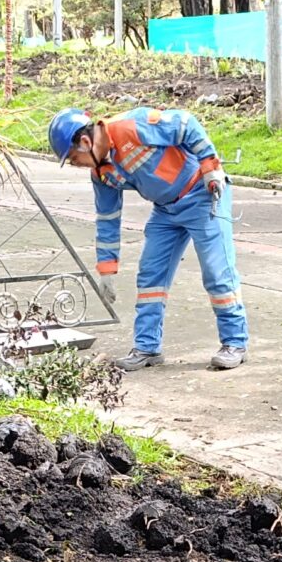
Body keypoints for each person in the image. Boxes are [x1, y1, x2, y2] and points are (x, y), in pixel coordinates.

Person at [51, 105, 249, 372]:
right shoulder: (101, 174)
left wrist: (209, 164)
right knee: (150, 277)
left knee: (217, 273)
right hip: (166, 211)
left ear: (85, 142)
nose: (76, 165)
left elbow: (185, 123)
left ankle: (235, 343)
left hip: (202, 196)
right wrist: (106, 269)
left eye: (74, 159)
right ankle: (147, 347)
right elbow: (108, 219)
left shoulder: (131, 125)